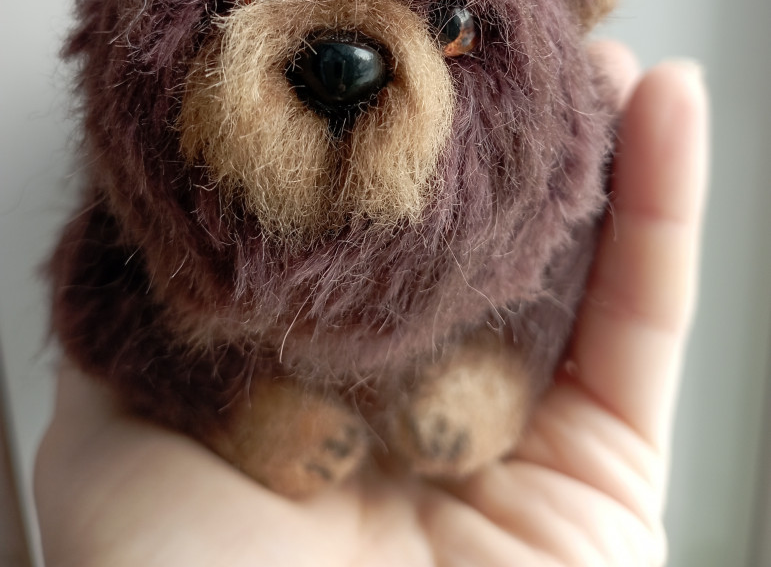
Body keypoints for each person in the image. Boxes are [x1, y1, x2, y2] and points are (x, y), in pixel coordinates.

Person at [34, 45, 708, 567]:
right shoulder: (139, 227)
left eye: (450, 29)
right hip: (230, 385)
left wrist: (504, 375)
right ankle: (242, 409)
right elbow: (105, 316)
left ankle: (492, 382)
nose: (346, 66)